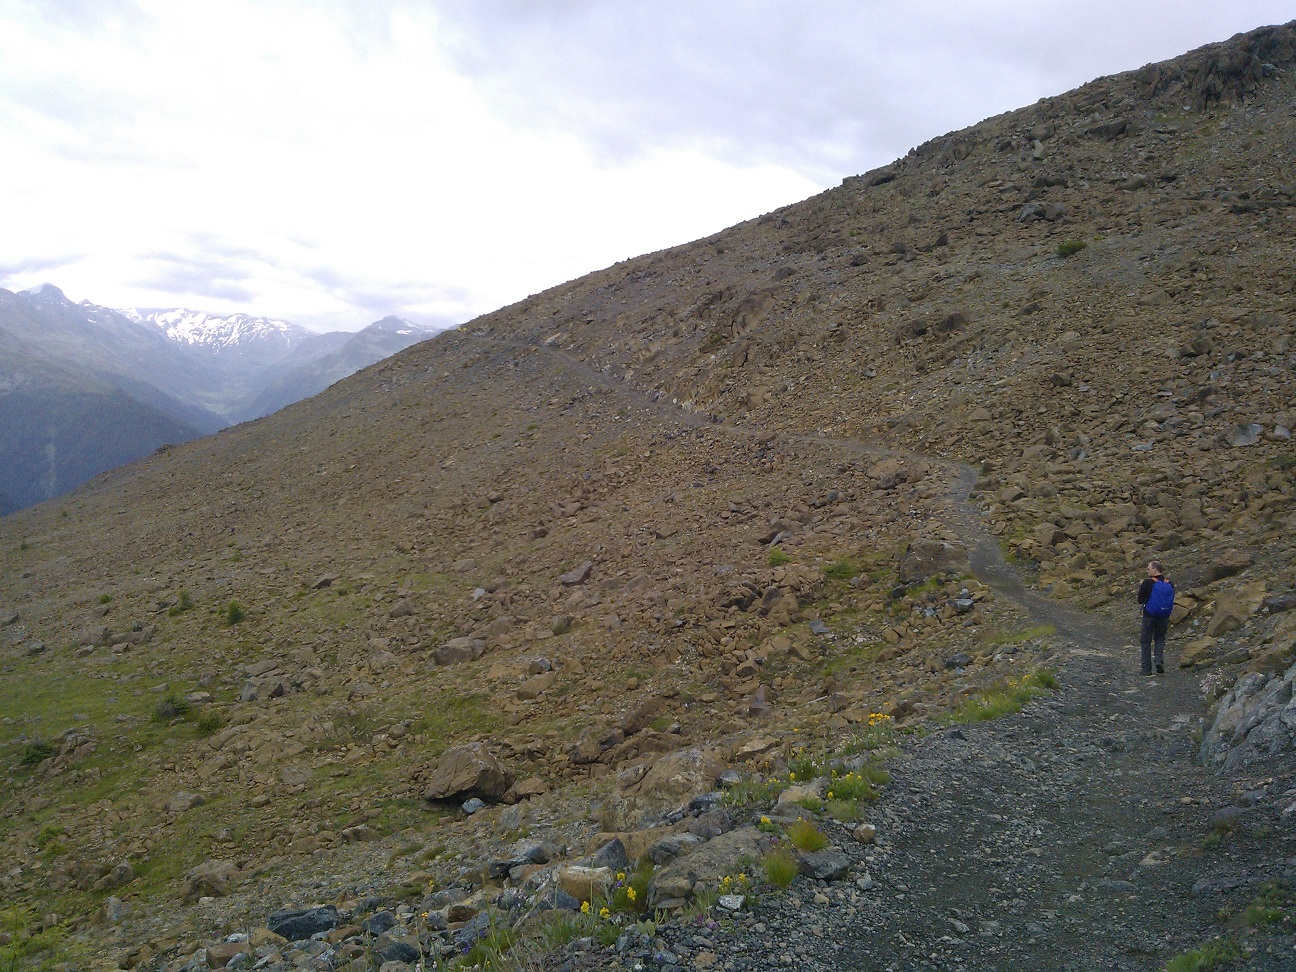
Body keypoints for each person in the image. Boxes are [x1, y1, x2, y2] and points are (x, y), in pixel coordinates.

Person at [1136, 560, 1174, 675]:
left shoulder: (1147, 583)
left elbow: (1140, 600)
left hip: (1149, 615)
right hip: (1164, 615)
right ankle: (1159, 661)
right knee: (1160, 638)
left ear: (1154, 570)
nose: (1147, 571)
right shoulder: (1169, 583)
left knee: (1145, 641)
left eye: (1148, 569)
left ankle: (1146, 669)